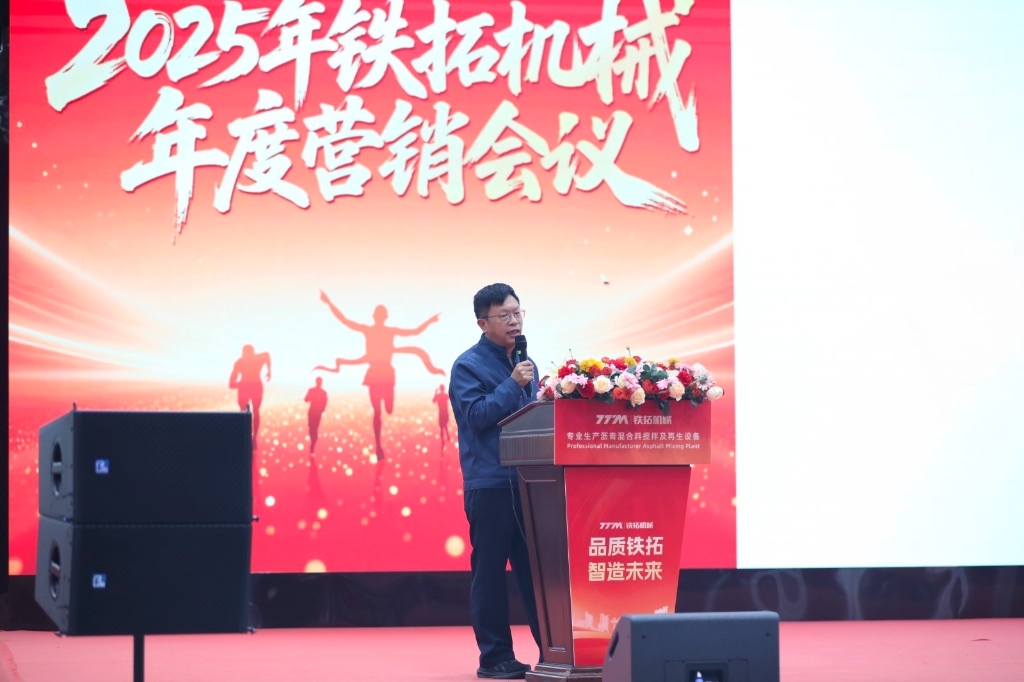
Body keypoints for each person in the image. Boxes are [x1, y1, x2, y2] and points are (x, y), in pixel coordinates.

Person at [449, 283, 541, 680]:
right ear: (482, 323)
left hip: (531, 482)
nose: (514, 321)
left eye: (518, 313)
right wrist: (513, 384)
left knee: (537, 573)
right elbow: (477, 416)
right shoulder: (467, 366)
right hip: (489, 484)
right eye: (505, 315)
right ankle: (495, 657)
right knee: (489, 573)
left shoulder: (525, 361)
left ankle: (554, 650)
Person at [315, 291, 445, 459]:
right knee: (377, 412)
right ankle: (378, 447)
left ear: (382, 317)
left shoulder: (390, 331)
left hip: (386, 374)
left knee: (388, 409)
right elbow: (345, 321)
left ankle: (380, 437)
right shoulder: (368, 330)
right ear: (378, 317)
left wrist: (430, 321)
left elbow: (414, 332)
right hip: (374, 374)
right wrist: (328, 303)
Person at [229, 344, 271, 449]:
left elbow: (267, 355)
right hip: (245, 387)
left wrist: (269, 370)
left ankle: (254, 438)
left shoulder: (258, 358)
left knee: (255, 410)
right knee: (243, 411)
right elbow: (231, 384)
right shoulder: (239, 363)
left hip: (255, 386)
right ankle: (244, 435)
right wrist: (242, 385)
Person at [305, 377, 329, 454]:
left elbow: (306, 399)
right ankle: (313, 443)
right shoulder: (322, 392)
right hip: (316, 413)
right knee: (314, 428)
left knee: (312, 428)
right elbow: (306, 399)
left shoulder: (312, 390)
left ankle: (313, 443)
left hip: (314, 412)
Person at [433, 384, 452, 449]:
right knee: (444, 425)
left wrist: (435, 393)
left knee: (442, 426)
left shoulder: (440, 396)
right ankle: (445, 437)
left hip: (442, 414)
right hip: (444, 413)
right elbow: (452, 398)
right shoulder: (445, 396)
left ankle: (444, 439)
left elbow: (434, 401)